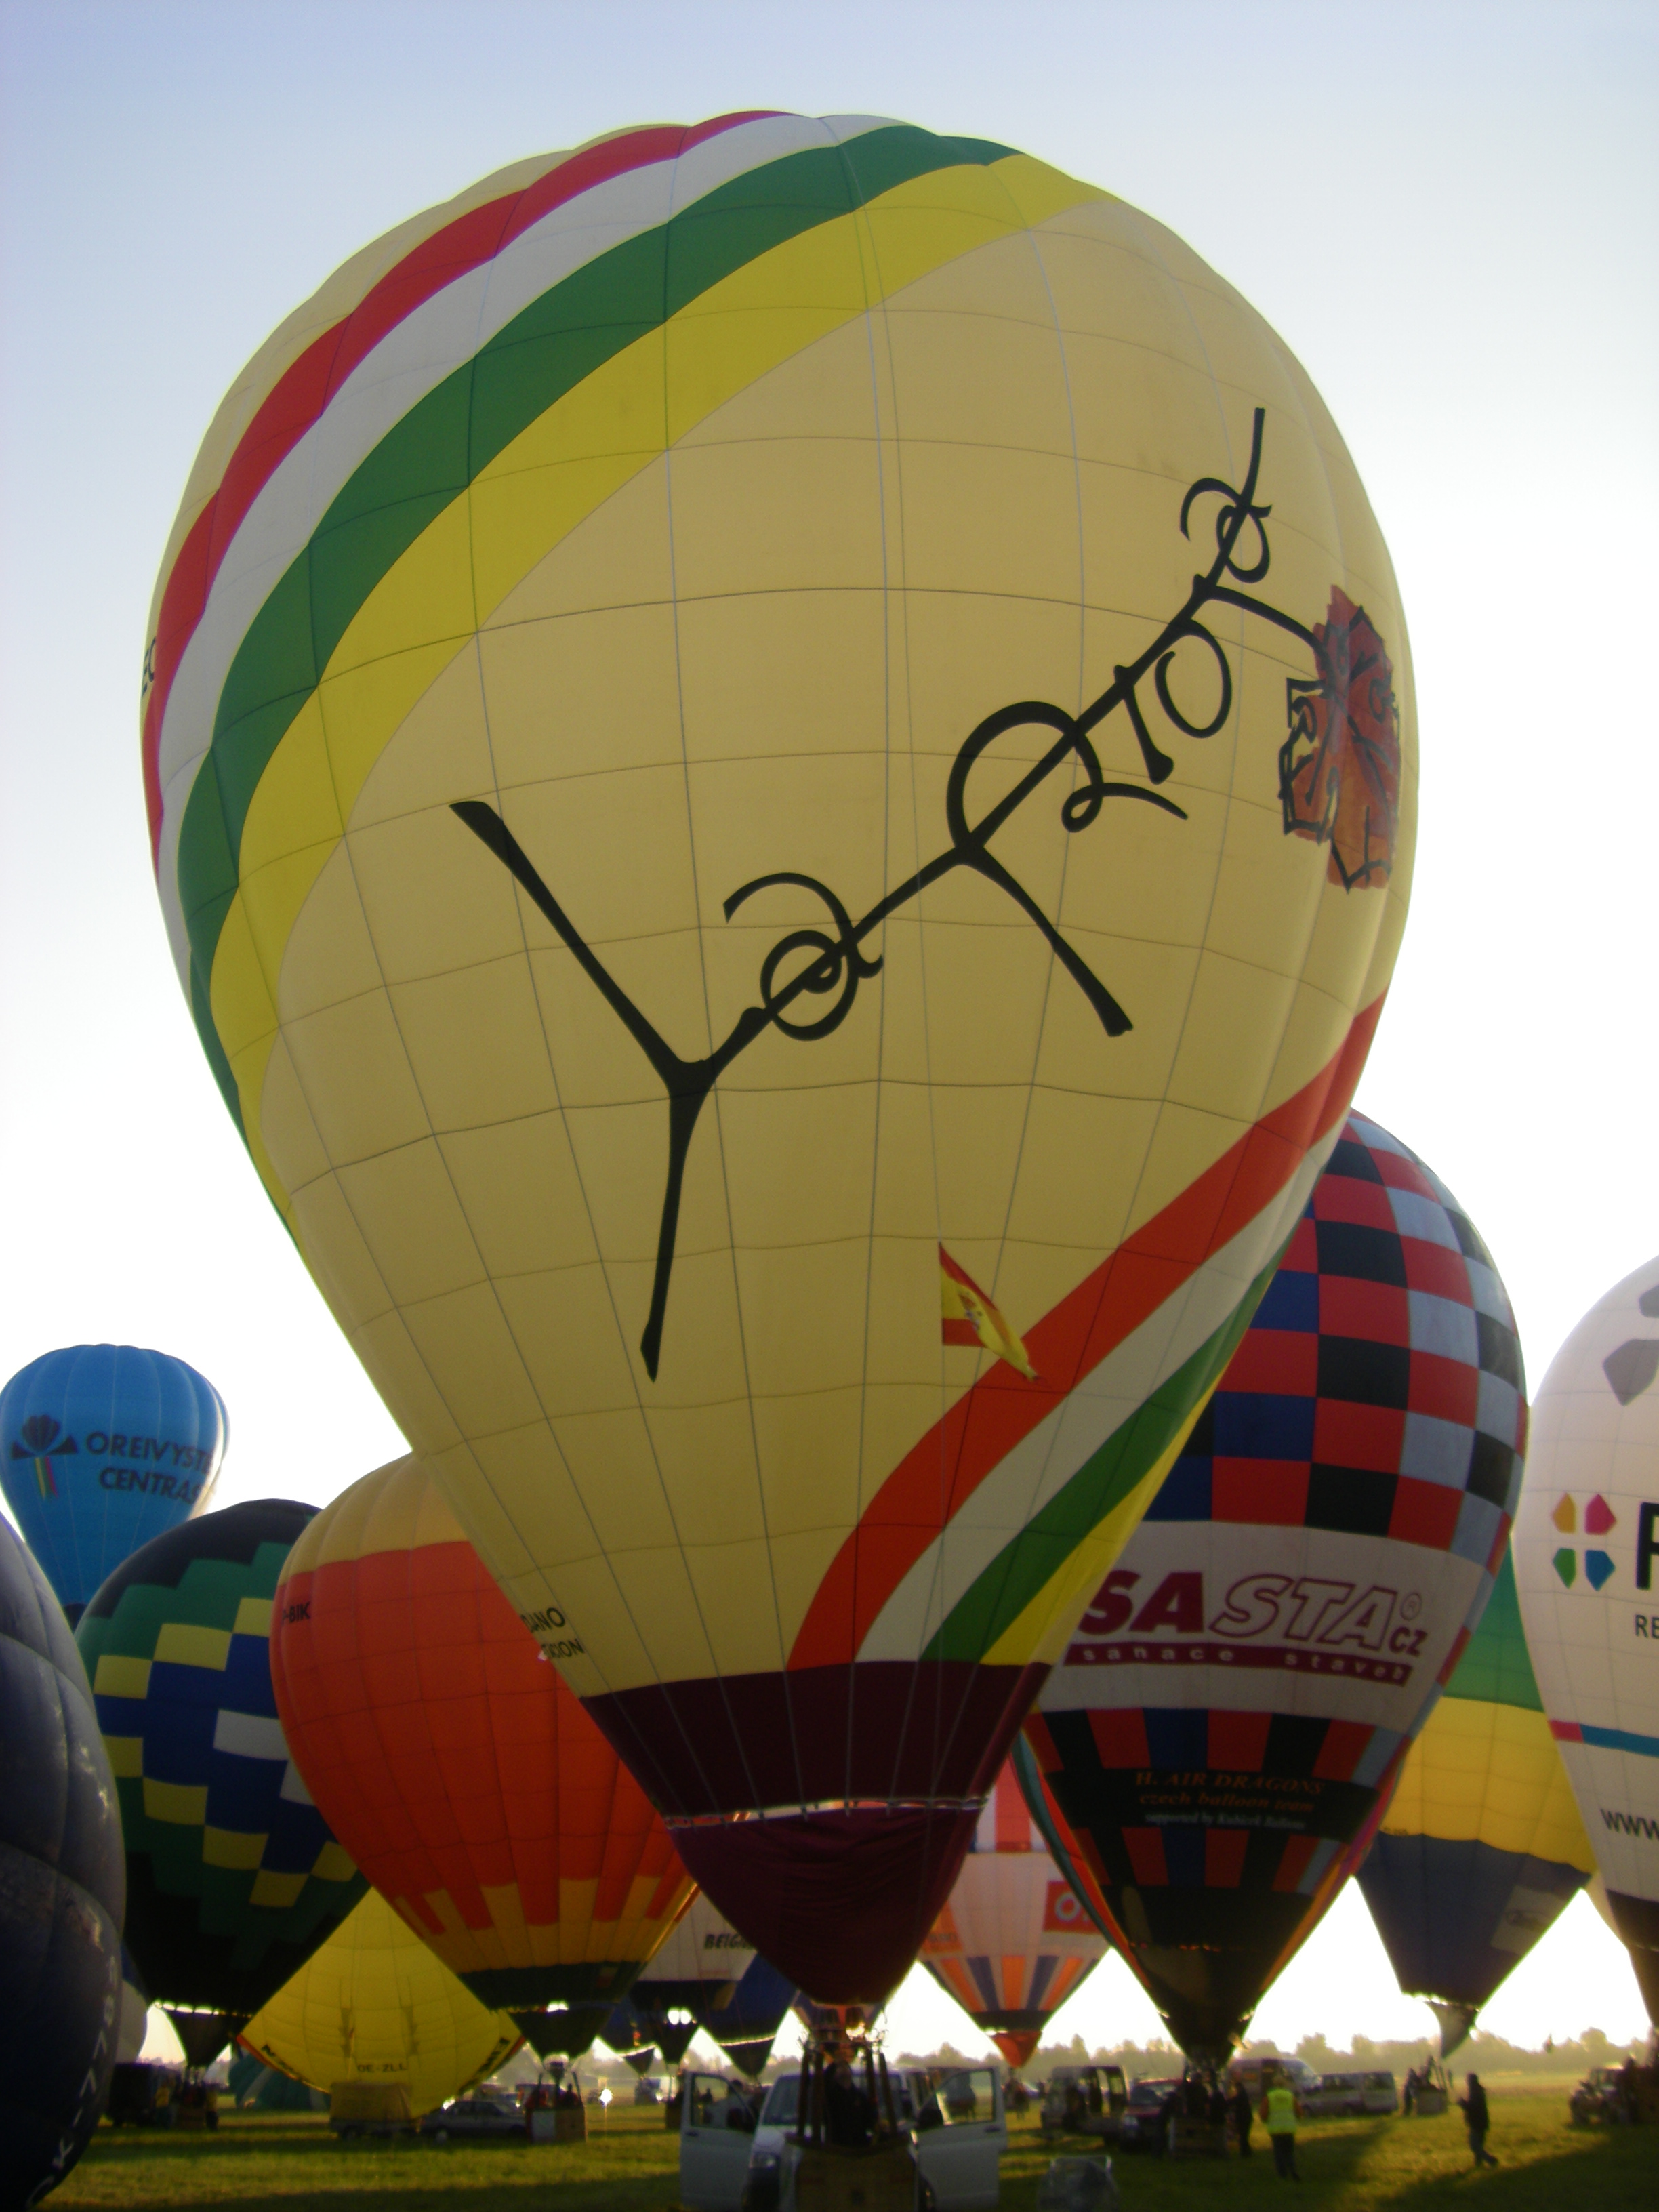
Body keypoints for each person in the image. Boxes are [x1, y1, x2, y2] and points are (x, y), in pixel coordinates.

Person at [1260, 2066, 1301, 2180]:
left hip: (1276, 2130)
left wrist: (1266, 2120)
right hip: (1289, 2129)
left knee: (1279, 2153)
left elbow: (1263, 2114)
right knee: (1289, 2153)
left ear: (1274, 2084)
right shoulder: (1290, 2096)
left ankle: (1282, 2174)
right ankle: (1293, 2170)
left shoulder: (1269, 2096)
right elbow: (1299, 2112)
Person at [1458, 2073, 1496, 2167]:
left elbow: (1472, 2108)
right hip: (1482, 2123)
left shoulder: (1475, 2093)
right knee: (1479, 2145)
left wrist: (1462, 2103)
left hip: (1477, 2123)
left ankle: (1490, 2160)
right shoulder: (1478, 2091)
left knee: (1474, 2145)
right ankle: (1479, 2165)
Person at [1230, 2075, 1254, 2157]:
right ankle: (1247, 2152)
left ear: (1238, 2087)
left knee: (1243, 2136)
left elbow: (1234, 2102)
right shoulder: (1243, 2094)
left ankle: (1244, 2153)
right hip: (1247, 2117)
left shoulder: (1241, 2095)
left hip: (1243, 2118)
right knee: (1244, 2136)